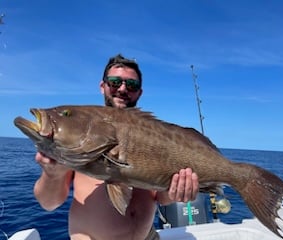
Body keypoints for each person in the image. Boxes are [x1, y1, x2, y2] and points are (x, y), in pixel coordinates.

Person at [33, 54, 199, 240]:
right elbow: (48, 203)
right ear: (102, 86)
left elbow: (162, 198)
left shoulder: (153, 134)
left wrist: (176, 192)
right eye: (114, 82)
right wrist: (52, 174)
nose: (122, 89)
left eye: (132, 85)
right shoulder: (84, 131)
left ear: (139, 92)